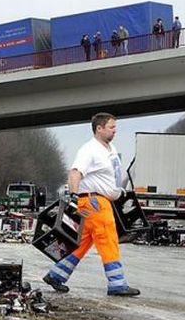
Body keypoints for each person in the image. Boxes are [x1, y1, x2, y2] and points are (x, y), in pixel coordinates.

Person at [42, 112, 141, 297]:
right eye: (111, 127)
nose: (115, 131)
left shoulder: (109, 149)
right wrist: (73, 196)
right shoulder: (90, 150)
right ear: (99, 128)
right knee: (108, 239)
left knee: (82, 242)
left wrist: (118, 193)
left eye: (115, 127)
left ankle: (56, 275)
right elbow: (74, 172)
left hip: (98, 201)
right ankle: (117, 284)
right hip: (94, 201)